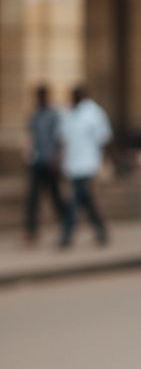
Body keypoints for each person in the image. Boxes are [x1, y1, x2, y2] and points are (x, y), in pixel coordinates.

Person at [59, 85, 113, 247]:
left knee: (75, 200)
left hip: (88, 164)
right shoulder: (67, 113)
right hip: (72, 165)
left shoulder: (93, 113)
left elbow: (104, 138)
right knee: (86, 200)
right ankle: (100, 230)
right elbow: (63, 139)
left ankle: (67, 235)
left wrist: (103, 162)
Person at [23, 83, 66, 243]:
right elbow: (31, 138)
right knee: (33, 198)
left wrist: (57, 159)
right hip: (37, 161)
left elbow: (60, 139)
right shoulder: (35, 115)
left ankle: (66, 225)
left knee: (56, 197)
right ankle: (31, 230)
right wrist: (28, 155)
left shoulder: (54, 115)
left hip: (50, 162)